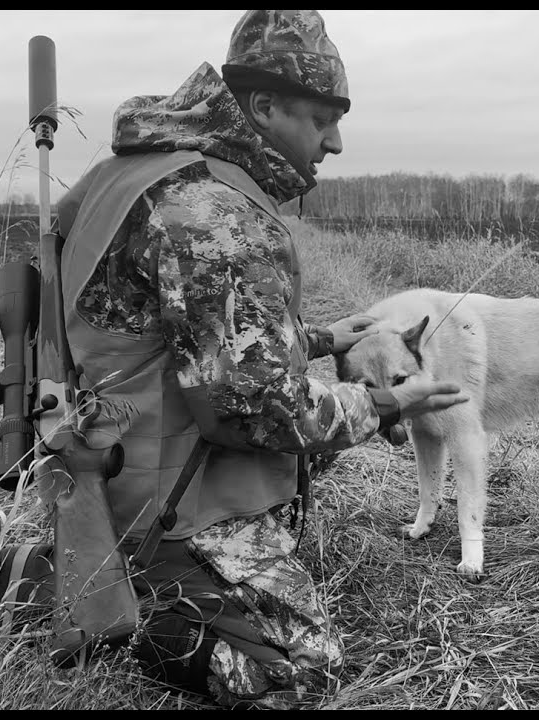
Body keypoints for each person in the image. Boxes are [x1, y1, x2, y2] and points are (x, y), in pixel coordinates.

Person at [47, 9, 467, 710]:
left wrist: (324, 338)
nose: (334, 142)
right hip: (164, 502)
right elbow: (257, 411)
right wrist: (389, 402)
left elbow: (166, 335)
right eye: (322, 118)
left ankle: (119, 569)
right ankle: (128, 602)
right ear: (264, 106)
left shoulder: (138, 169)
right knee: (299, 670)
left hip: (103, 453)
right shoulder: (216, 213)